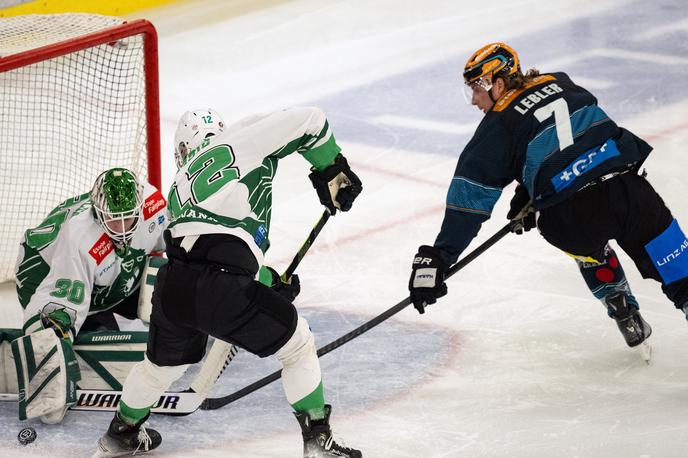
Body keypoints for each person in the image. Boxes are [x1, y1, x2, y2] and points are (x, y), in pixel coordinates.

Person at [94, 108, 363, 457]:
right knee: (298, 347)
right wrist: (333, 169)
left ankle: (122, 432)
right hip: (221, 285)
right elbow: (310, 120)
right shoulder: (239, 140)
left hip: (174, 284)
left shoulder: (180, 184)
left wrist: (267, 282)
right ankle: (318, 442)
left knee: (160, 368)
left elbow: (209, 246)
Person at [408, 42, 688, 351]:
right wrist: (531, 187)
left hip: (569, 218)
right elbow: (576, 129)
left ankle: (616, 299)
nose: (474, 100)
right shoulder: (559, 81)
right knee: (681, 271)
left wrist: (439, 257)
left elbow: (468, 203)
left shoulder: (494, 129)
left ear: (498, 83)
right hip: (627, 193)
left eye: (477, 88)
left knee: (588, 247)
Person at [13, 167, 168, 423]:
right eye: (112, 220)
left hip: (106, 275)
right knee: (60, 324)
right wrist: (52, 341)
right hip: (42, 272)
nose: (121, 228)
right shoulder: (80, 237)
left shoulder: (153, 205)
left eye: (128, 219)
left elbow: (179, 241)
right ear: (97, 213)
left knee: (168, 277)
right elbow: (62, 303)